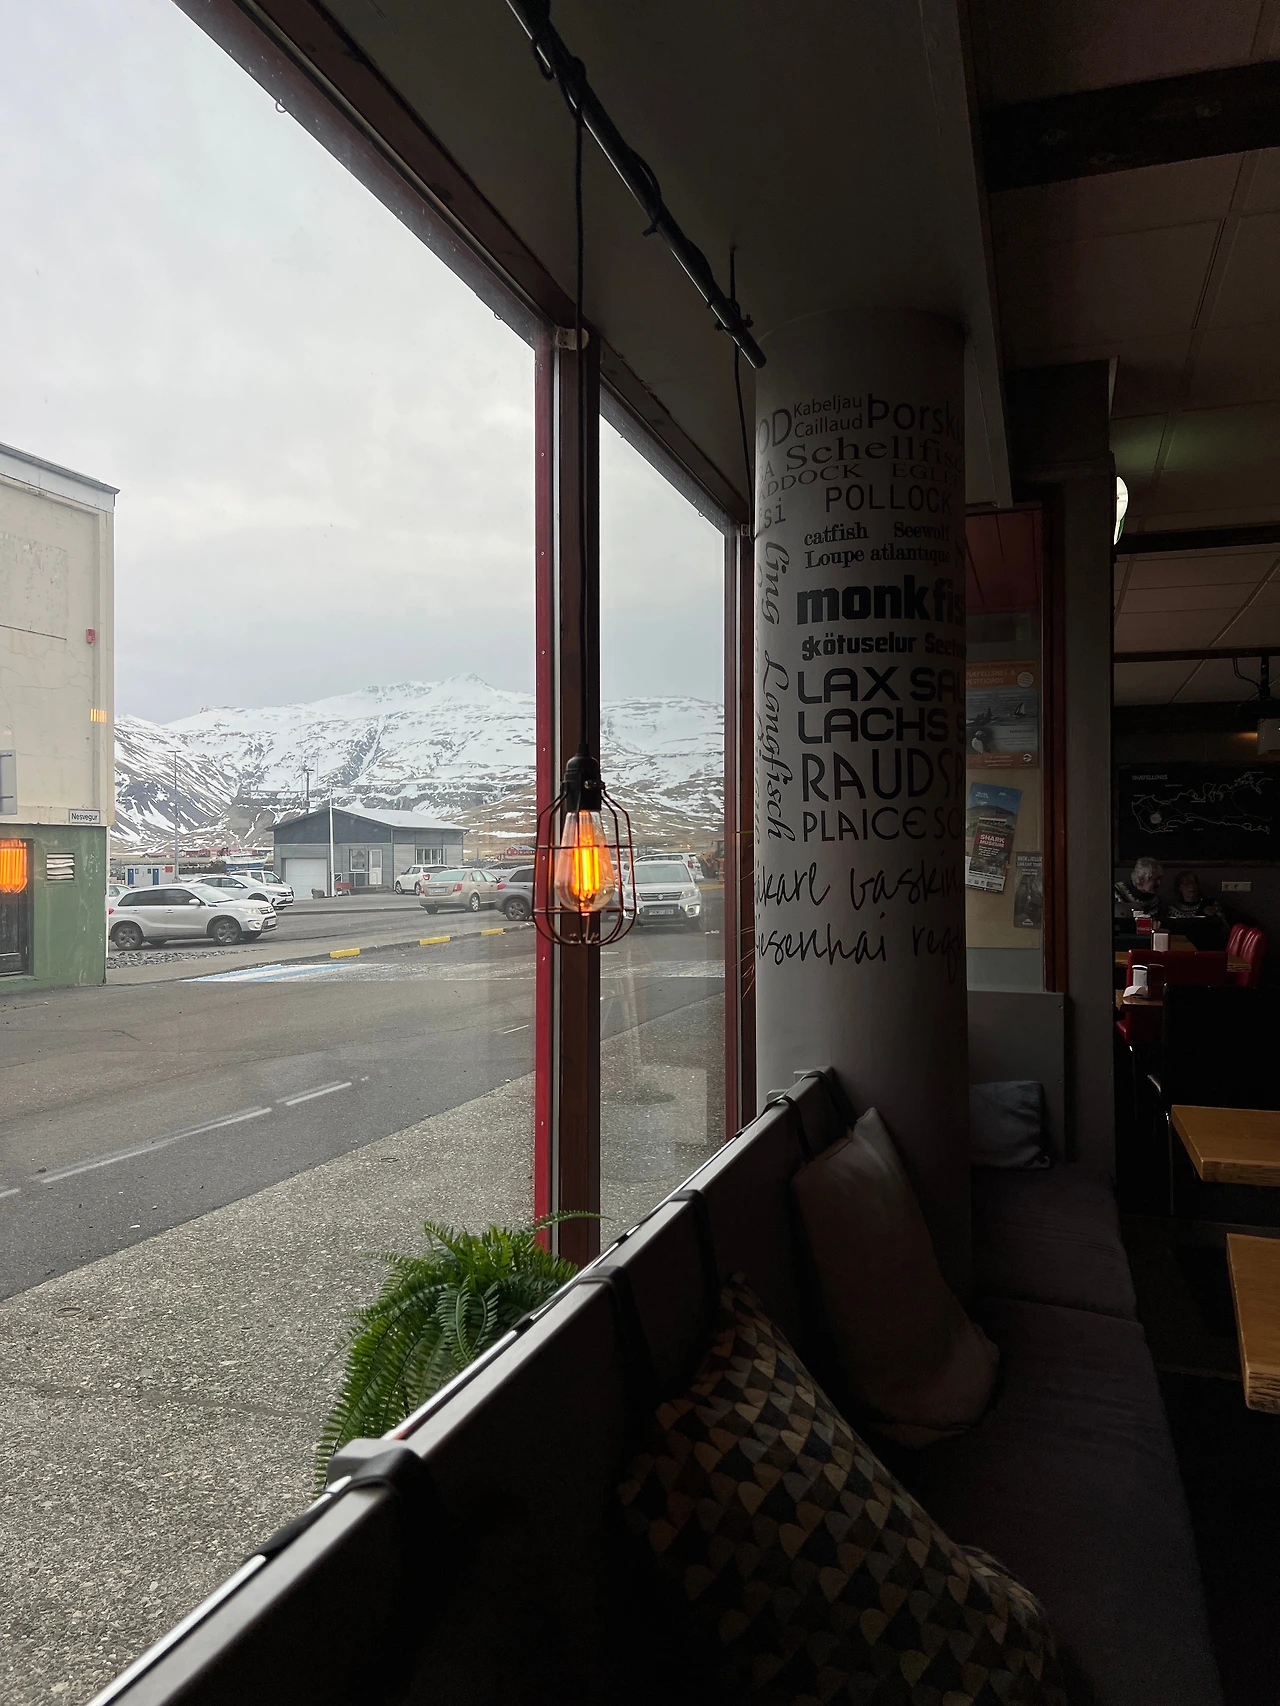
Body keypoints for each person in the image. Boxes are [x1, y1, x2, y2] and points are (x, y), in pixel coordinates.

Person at [1114, 855, 1164, 922]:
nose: (1159, 883)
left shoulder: (1156, 901)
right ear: (1142, 879)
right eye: (1155, 879)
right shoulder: (1117, 892)